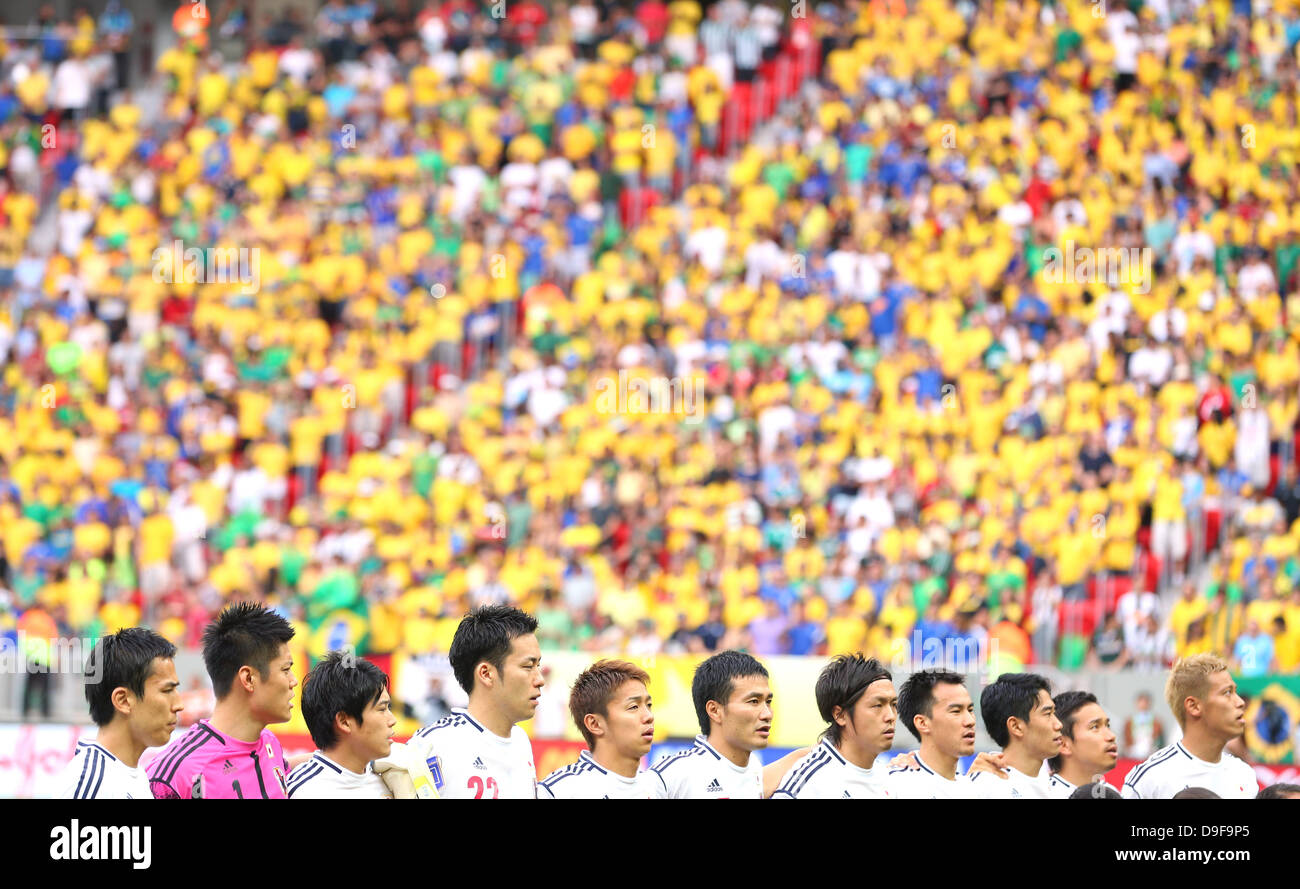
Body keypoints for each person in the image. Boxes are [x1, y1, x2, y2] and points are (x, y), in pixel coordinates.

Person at [146, 603, 297, 798]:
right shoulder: (175, 776)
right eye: (285, 670)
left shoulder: (270, 744)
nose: (293, 681)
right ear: (249, 679)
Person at [407, 605, 542, 799]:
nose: (540, 679)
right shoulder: (432, 746)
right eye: (528, 666)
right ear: (486, 674)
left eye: (539, 665)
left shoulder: (521, 741)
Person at [57, 628, 183, 798]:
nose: (179, 705)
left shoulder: (134, 777)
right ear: (123, 700)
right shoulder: (94, 785)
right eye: (167, 690)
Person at [1122, 654, 1257, 799]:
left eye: (1235, 692)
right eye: (1227, 692)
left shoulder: (1244, 774)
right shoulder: (1150, 780)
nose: (1240, 702)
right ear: (1194, 706)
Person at [648, 650, 770, 798]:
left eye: (768, 702)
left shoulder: (753, 766)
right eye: (754, 702)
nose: (767, 714)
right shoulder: (674, 775)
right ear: (715, 710)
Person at [771, 654, 896, 799]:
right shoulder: (811, 784)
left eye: (894, 705)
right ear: (840, 715)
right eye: (877, 705)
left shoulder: (889, 777)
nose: (891, 716)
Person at [537, 659, 655, 799]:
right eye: (633, 707)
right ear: (594, 724)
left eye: (649, 705)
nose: (649, 716)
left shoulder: (657, 787)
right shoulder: (559, 791)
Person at [288, 651, 396, 799]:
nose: (392, 720)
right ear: (344, 722)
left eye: (389, 708)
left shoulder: (393, 780)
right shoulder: (305, 792)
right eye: (382, 709)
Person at [886, 668, 980, 798]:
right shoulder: (895, 785)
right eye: (956, 711)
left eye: (970, 710)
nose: (970, 721)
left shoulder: (976, 790)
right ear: (922, 723)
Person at [969, 672, 1061, 799]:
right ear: (1016, 726)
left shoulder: (1050, 784)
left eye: (1054, 713)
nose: (1058, 724)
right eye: (1047, 714)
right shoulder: (988, 788)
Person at [1047, 691, 1119, 797]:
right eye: (1095, 727)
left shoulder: (1112, 793)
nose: (1111, 736)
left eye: (1107, 725)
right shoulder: (1042, 794)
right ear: (1063, 744)